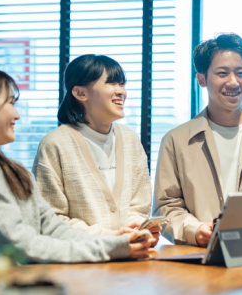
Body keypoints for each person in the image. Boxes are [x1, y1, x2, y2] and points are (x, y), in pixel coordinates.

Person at [0, 63, 156, 281]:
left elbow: (52, 227)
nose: (17, 115)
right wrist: (113, 247)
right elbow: (24, 244)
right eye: (10, 103)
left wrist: (115, 240)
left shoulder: (15, 172)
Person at [152, 33, 242, 246]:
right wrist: (195, 230)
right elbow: (165, 206)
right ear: (202, 79)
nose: (233, 82)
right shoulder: (175, 141)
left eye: (241, 73)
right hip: (196, 258)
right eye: (222, 73)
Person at [33, 55, 160, 241]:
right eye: (111, 83)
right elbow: (51, 218)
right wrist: (111, 237)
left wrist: (137, 228)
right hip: (80, 259)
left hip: (131, 254)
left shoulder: (130, 139)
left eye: (122, 84)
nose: (121, 92)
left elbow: (139, 206)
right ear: (80, 93)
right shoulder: (55, 144)